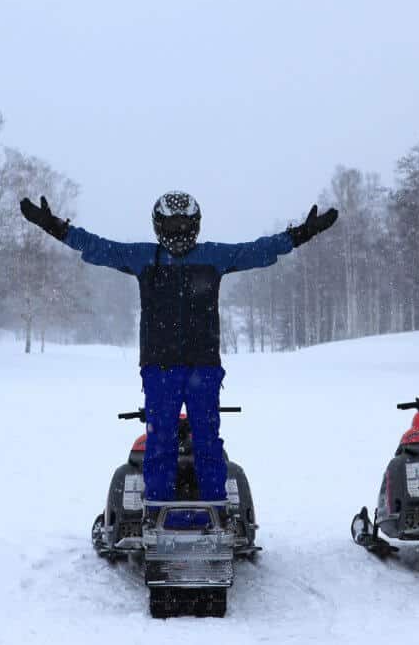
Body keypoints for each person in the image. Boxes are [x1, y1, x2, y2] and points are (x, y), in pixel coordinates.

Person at [20, 191, 337, 522]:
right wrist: (54, 226)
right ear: (159, 225)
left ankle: (214, 516)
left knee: (208, 444)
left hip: (203, 367)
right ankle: (159, 514)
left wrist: (301, 233)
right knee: (160, 445)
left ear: (195, 224)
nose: (178, 230)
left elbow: (261, 251)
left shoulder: (212, 256)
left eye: (184, 222)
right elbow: (97, 247)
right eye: (172, 223)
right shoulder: (145, 257)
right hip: (160, 369)